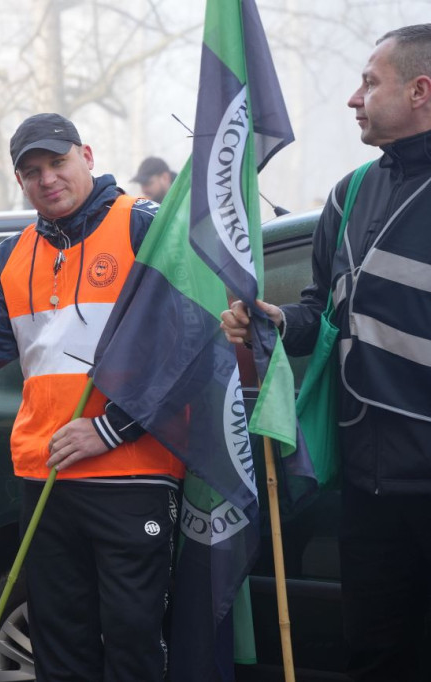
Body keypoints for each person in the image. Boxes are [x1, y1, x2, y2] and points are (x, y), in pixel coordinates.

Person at [0, 113, 183, 681]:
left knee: (134, 643)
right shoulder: (12, 254)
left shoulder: (144, 225)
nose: (47, 178)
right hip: (46, 477)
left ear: (87, 156)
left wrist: (109, 429)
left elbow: (186, 347)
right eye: (32, 171)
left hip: (132, 473)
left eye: (57, 162)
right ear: (20, 180)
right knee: (59, 644)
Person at [221, 24, 431, 682]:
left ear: (420, 90)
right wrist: (277, 322)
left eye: (370, 82)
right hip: (368, 488)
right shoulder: (349, 194)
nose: (353, 98)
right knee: (374, 658)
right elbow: (324, 314)